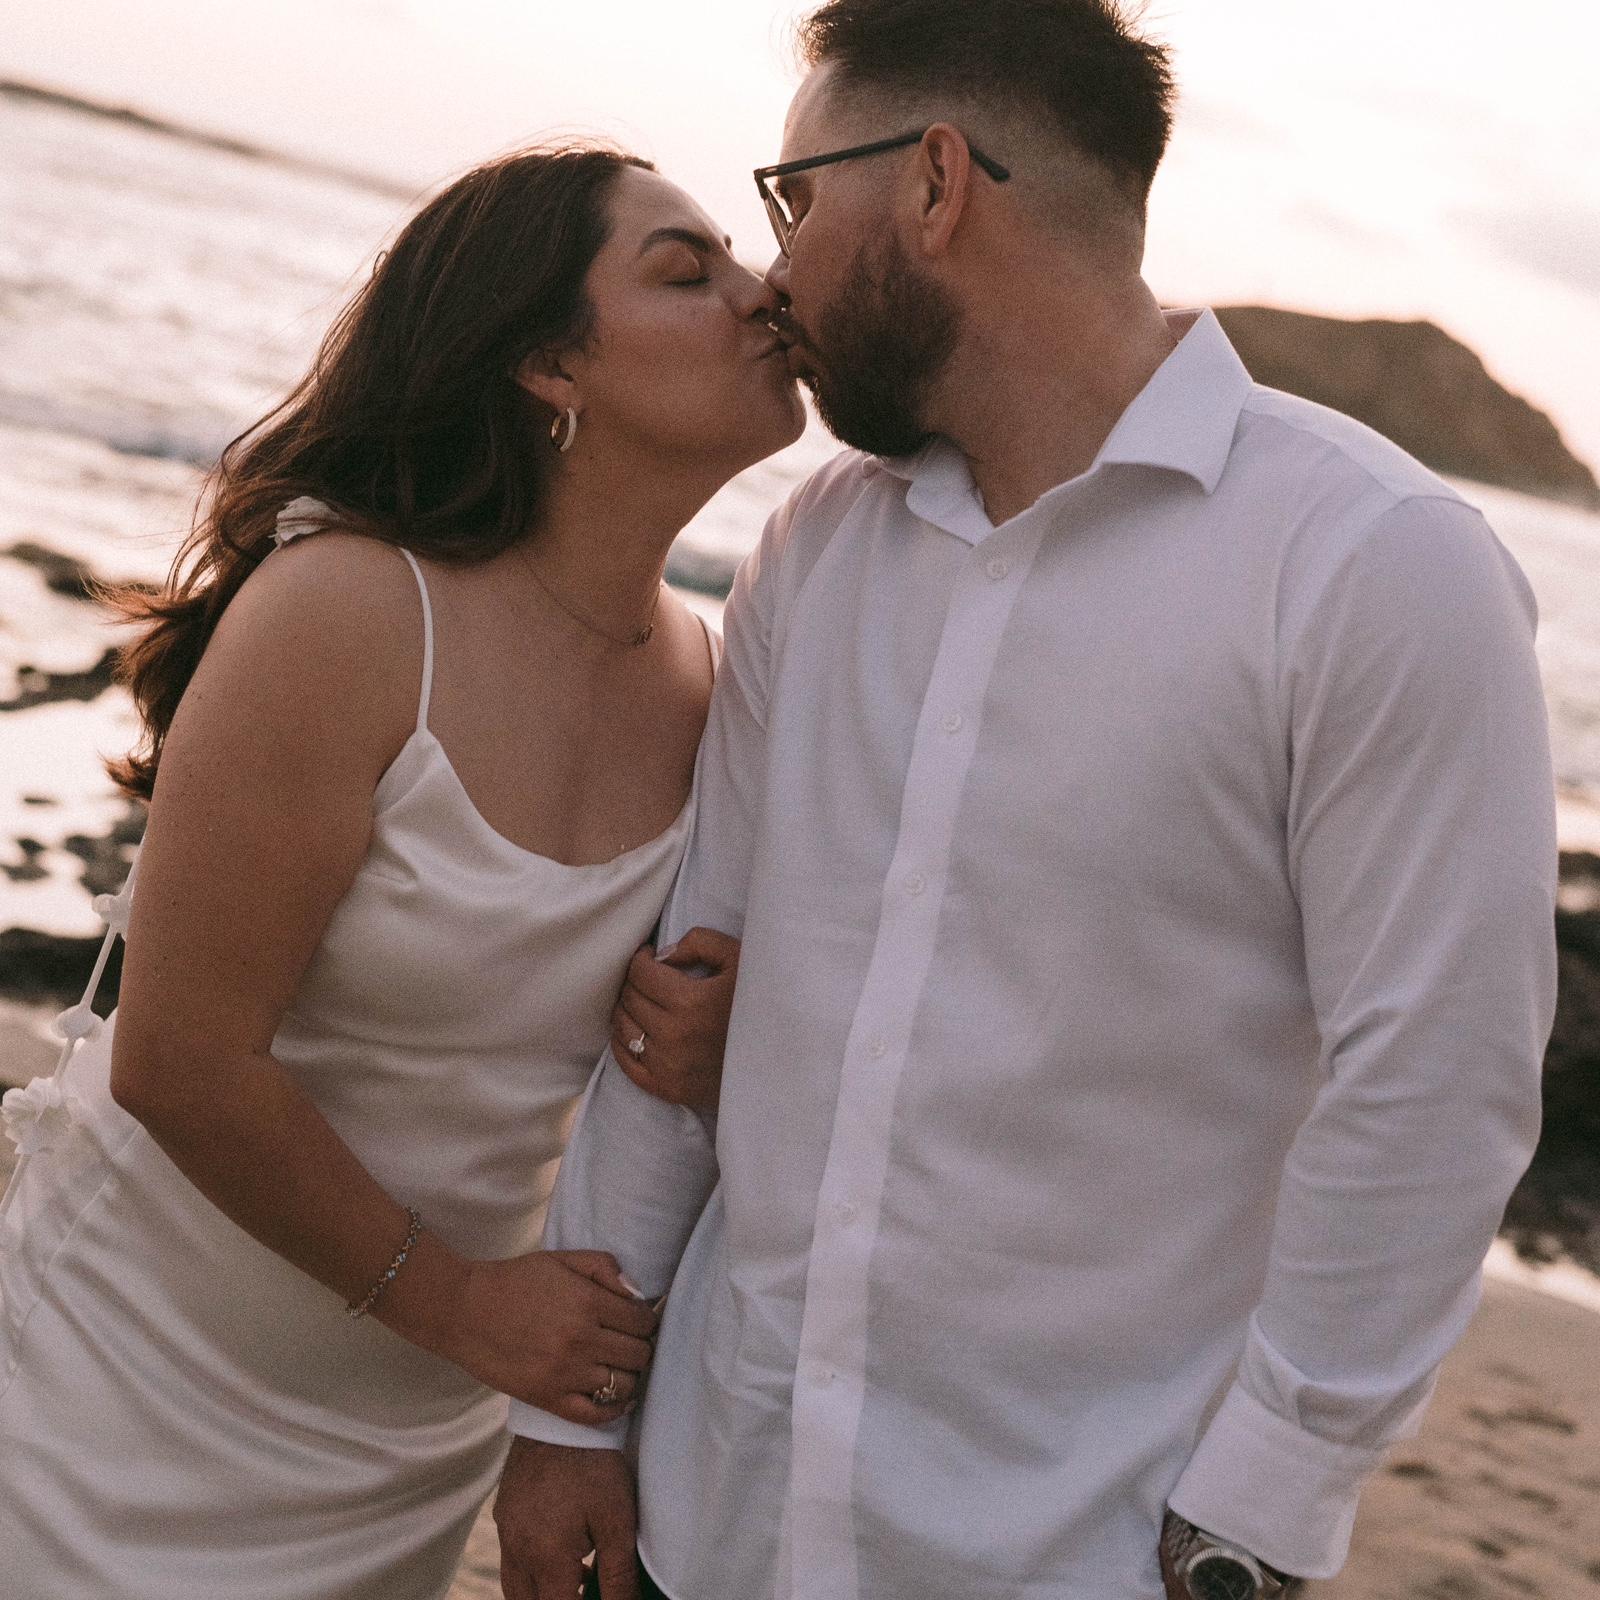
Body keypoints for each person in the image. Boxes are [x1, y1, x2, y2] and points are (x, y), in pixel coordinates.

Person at [492, 3, 1559, 1598]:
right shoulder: (817, 547)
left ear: (934, 184)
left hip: (1067, 1549)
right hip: (712, 1511)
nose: (773, 275)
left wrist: (1261, 1512)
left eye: (795, 200)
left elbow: (1436, 1075)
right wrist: (572, 1415)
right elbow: (685, 989)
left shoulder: (1374, 568)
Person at [0, 142, 804, 1599]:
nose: (763, 293)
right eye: (688, 272)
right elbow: (181, 1060)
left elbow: (668, 1039)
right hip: (118, 1392)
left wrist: (731, 1040)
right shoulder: (352, 612)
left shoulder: (723, 681)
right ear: (550, 365)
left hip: (406, 1445)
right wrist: (468, 1311)